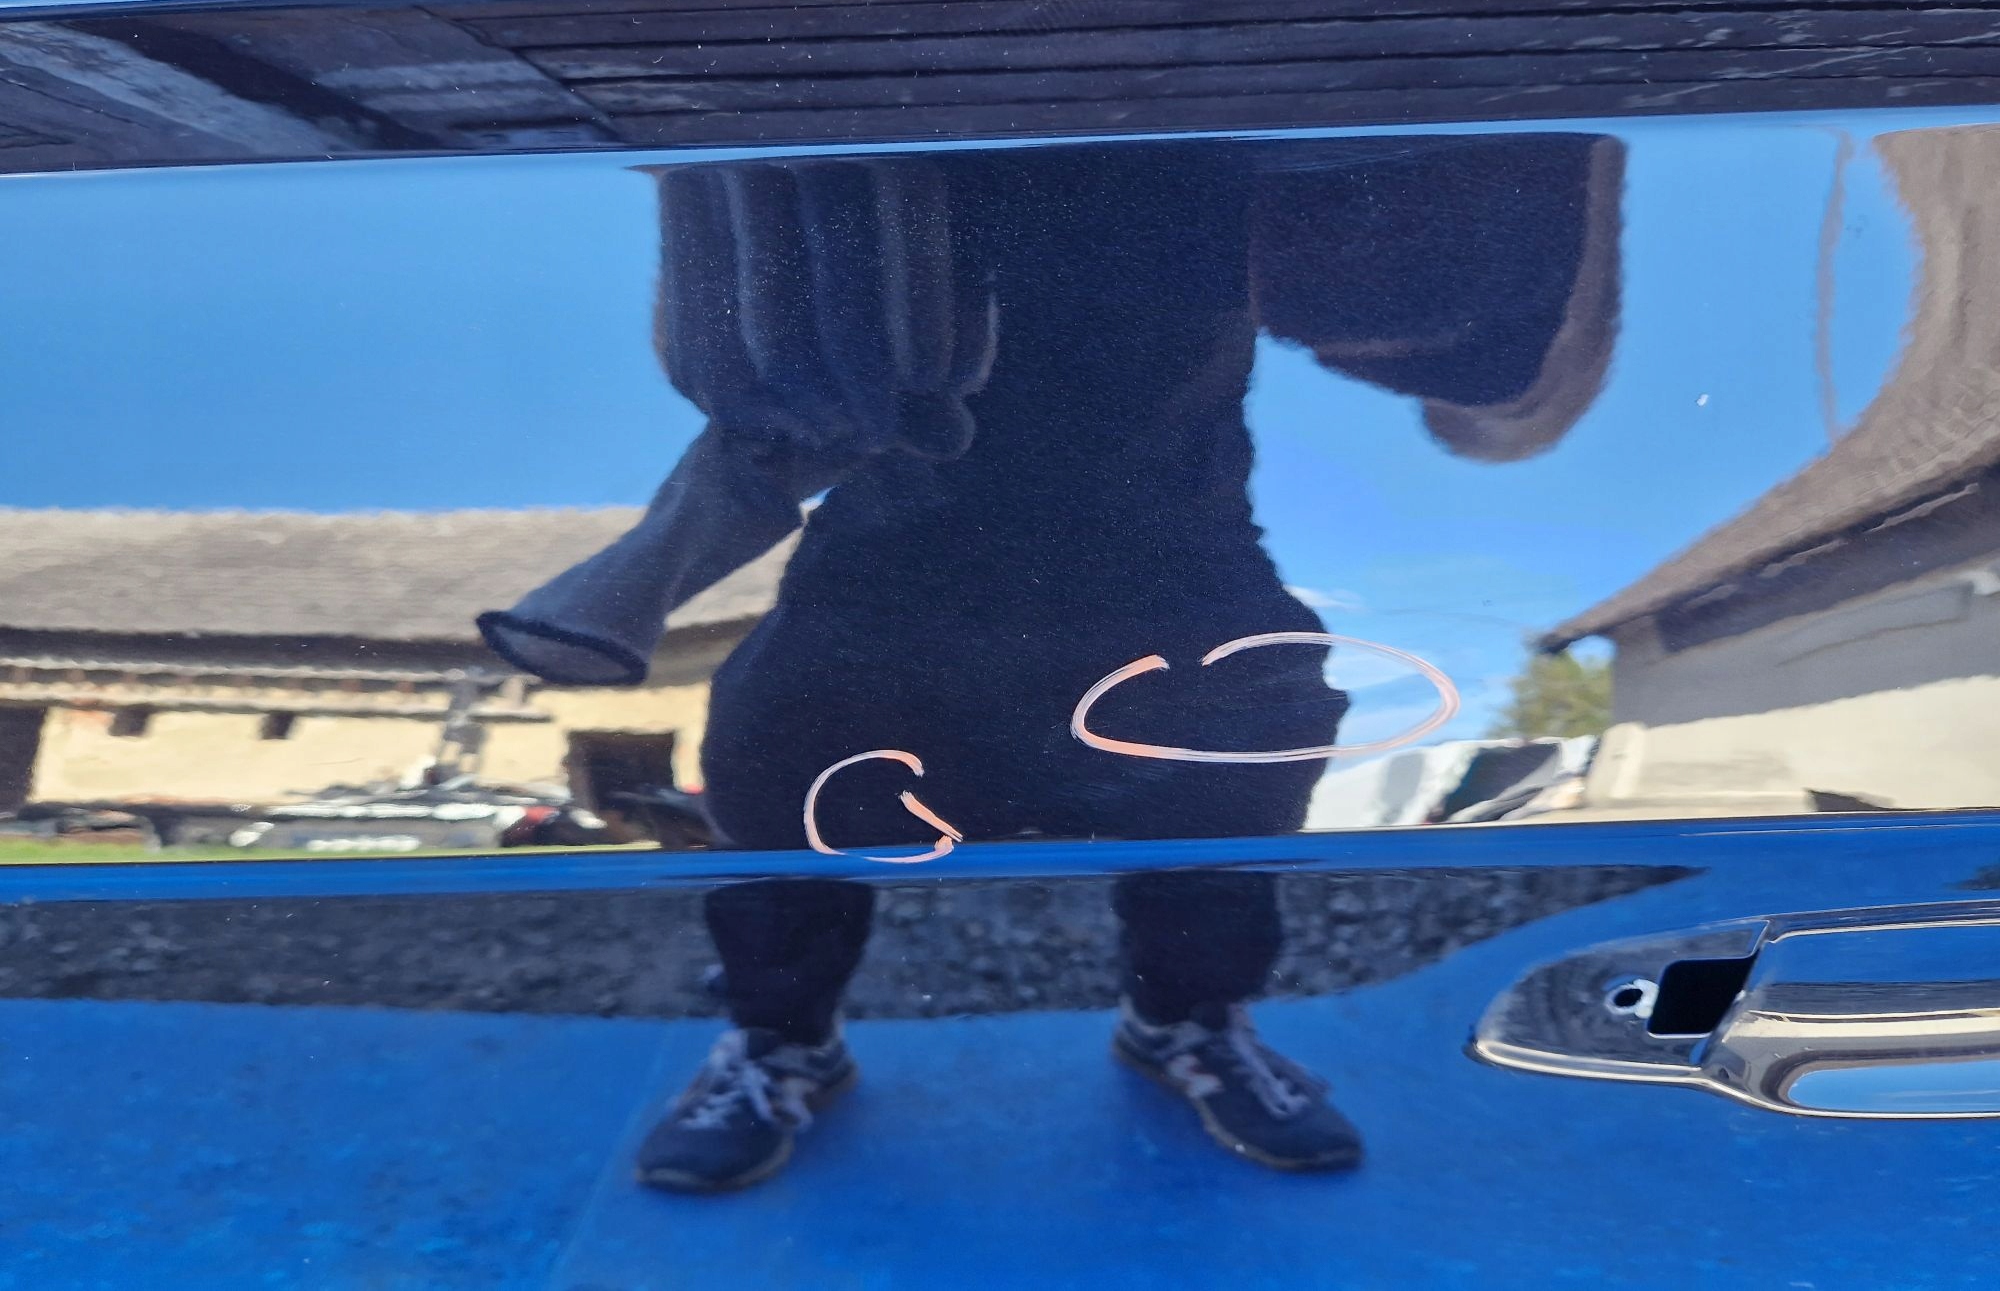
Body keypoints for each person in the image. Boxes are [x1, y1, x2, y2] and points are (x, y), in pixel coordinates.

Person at [482, 133, 1623, 1193]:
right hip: (895, 544)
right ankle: (783, 1042)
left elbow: (1498, 410)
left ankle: (1186, 1023)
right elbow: (725, 311)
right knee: (774, 747)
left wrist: (1560, 187)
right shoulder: (856, 107)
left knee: (1249, 754)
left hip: (1167, 542)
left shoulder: (1245, 129)